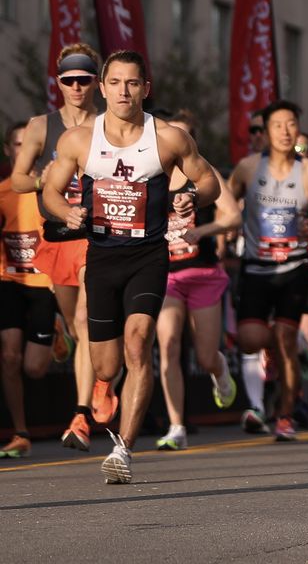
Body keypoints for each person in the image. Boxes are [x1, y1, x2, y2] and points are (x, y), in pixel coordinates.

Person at [39, 51, 221, 484]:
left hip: (148, 256)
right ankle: (104, 384)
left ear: (145, 88)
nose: (124, 91)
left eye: (133, 83)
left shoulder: (169, 138)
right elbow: (50, 192)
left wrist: (191, 197)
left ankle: (123, 450)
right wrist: (66, 213)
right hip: (102, 258)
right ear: (103, 89)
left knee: (138, 344)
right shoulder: (80, 140)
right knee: (105, 366)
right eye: (116, 82)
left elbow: (209, 181)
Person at [230, 100, 308, 442]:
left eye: (291, 124)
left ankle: (285, 416)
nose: (285, 131)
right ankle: (302, 350)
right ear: (265, 132)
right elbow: (225, 206)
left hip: (295, 267)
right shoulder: (248, 168)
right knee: (250, 339)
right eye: (277, 125)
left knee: (284, 338)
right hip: (256, 267)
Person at [11, 46, 102, 451]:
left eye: (84, 79)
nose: (77, 87)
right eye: (70, 80)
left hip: (98, 237)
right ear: (59, 83)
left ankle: (81, 415)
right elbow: (17, 179)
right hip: (58, 235)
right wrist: (42, 181)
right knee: (79, 327)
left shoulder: (110, 125)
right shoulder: (39, 126)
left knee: (85, 319)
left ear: (96, 82)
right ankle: (74, 339)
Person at [153, 110, 241, 451]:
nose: (176, 141)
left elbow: (233, 217)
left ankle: (220, 371)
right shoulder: (152, 175)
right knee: (169, 345)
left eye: (184, 135)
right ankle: (176, 426)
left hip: (202, 273)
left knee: (205, 357)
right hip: (166, 275)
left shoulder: (206, 174)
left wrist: (201, 231)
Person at [2, 121, 56, 457]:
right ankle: (20, 432)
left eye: (28, 144)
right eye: (17, 144)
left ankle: (59, 330)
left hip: (43, 283)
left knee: (34, 368)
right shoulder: (2, 192)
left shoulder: (48, 190)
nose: (24, 150)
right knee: (9, 355)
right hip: (8, 281)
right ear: (8, 150)